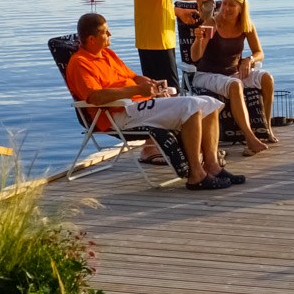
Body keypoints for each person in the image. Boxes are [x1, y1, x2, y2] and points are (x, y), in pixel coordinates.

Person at [64, 13, 244, 191]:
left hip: (139, 106)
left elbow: (133, 76)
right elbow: (96, 97)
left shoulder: (107, 54)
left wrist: (149, 84)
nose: (110, 35)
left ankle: (212, 166)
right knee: (191, 106)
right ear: (91, 39)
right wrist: (136, 91)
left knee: (209, 103)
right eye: (105, 32)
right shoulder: (80, 63)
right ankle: (196, 175)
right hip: (120, 113)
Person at [188, 0, 276, 156]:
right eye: (225, 4)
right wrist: (198, 40)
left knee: (267, 78)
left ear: (241, 8)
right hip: (207, 75)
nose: (226, 9)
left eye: (232, 5)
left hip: (232, 73)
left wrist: (248, 60)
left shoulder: (246, 26)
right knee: (235, 85)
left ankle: (267, 129)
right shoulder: (211, 24)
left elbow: (260, 53)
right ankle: (249, 137)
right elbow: (195, 57)